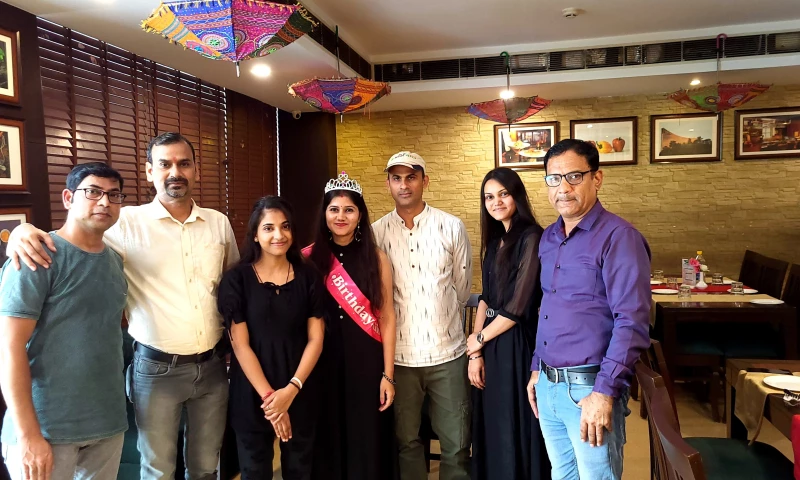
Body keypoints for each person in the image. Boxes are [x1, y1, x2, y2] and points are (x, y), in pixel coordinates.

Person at [6, 133, 240, 479]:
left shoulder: (218, 223)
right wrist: (21, 231)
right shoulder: (124, 222)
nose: (175, 172)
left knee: (207, 466)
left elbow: (232, 288)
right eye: (164, 164)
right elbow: (74, 236)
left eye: (184, 164)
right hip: (156, 370)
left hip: (212, 367)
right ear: (149, 172)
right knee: (157, 470)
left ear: (196, 170)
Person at [526, 139, 651, 480]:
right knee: (562, 474)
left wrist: (604, 392)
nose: (563, 188)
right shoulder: (549, 238)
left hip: (590, 388)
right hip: (548, 383)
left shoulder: (619, 237)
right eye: (554, 178)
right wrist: (537, 368)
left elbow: (632, 322)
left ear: (596, 178)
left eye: (574, 176)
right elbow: (549, 306)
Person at [0, 163, 129, 480]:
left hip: (107, 423)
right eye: (93, 192)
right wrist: (28, 435)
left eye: (113, 195)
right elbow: (9, 347)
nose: (104, 202)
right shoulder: (36, 256)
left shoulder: (115, 261)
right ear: (68, 198)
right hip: (46, 430)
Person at [373, 151, 473, 480]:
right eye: (396, 178)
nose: (404, 185)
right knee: (406, 441)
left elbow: (462, 288)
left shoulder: (451, 226)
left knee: (456, 442)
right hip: (399, 360)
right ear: (388, 184)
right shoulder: (376, 233)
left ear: (424, 181)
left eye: (411, 177)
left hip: (448, 355)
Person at [217, 196, 325, 480]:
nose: (279, 235)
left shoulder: (309, 275)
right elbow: (240, 345)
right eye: (268, 228)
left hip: (300, 389)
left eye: (285, 226)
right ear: (255, 234)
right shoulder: (236, 279)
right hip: (252, 393)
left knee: (300, 471)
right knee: (254, 472)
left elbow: (316, 339)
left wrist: (290, 390)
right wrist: (271, 401)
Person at [306, 172, 397, 480]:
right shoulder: (308, 259)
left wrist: (388, 375)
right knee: (327, 434)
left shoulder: (376, 258)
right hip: (322, 362)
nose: (341, 216)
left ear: (360, 215)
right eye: (334, 209)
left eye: (349, 210)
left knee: (366, 435)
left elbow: (387, 316)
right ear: (324, 214)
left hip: (366, 362)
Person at [466, 168, 550, 480]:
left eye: (503, 194)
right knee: (492, 422)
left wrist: (479, 339)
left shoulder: (532, 236)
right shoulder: (495, 241)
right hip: (491, 342)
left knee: (514, 422)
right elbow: (486, 298)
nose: (496, 202)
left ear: (517, 196)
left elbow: (517, 306)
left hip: (517, 344)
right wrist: (476, 350)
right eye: (489, 197)